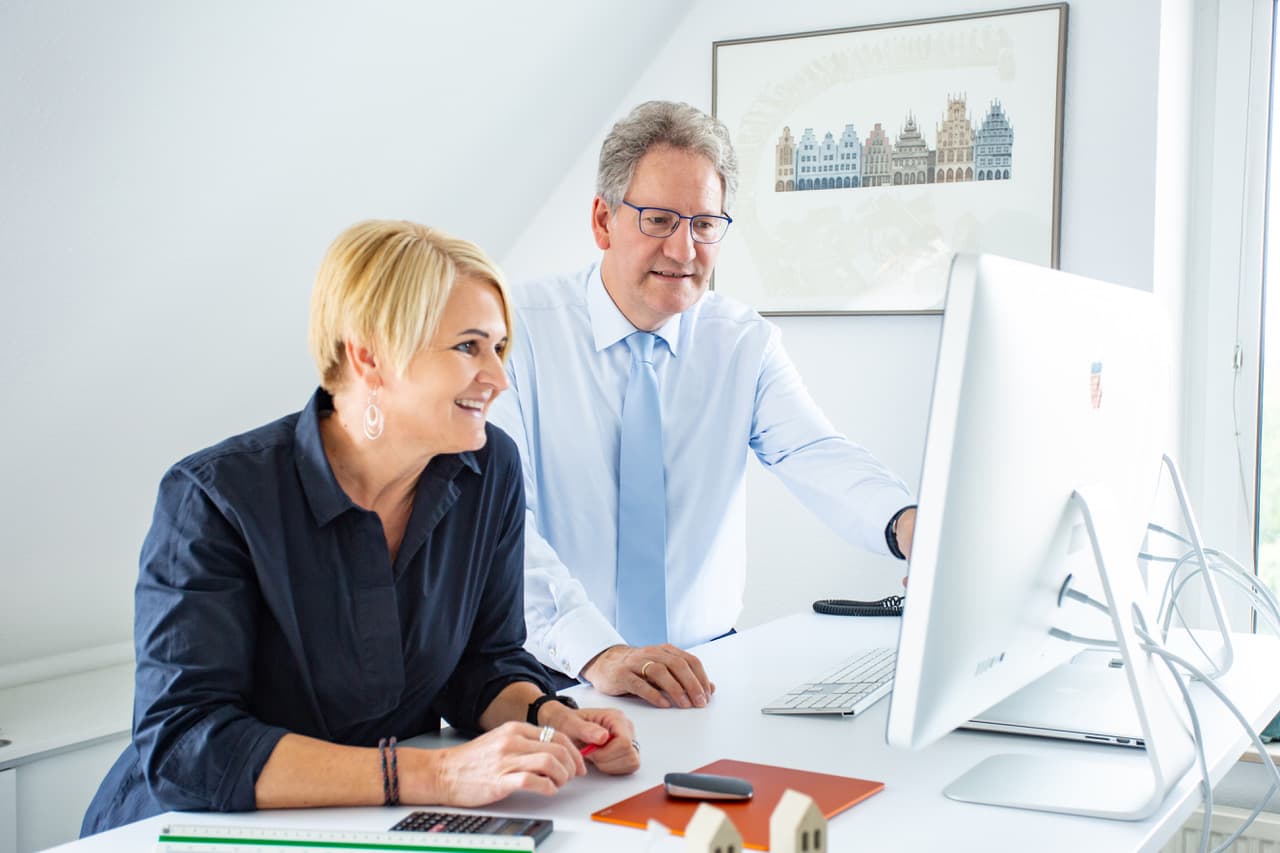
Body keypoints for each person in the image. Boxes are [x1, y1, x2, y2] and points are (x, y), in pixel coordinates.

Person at [81, 220, 639, 836]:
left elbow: (483, 663)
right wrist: (434, 777)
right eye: (468, 347)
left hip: (367, 828)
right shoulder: (214, 499)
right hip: (190, 831)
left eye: (499, 348)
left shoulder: (490, 469)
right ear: (369, 355)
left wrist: (550, 718)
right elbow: (188, 748)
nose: (498, 378)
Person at [488, 101, 917, 710]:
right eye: (660, 219)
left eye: (705, 224)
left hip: (702, 674)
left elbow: (813, 452)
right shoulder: (513, 332)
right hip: (555, 680)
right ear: (603, 221)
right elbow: (503, 527)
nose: (685, 251)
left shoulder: (743, 341)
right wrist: (598, 653)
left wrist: (909, 526)